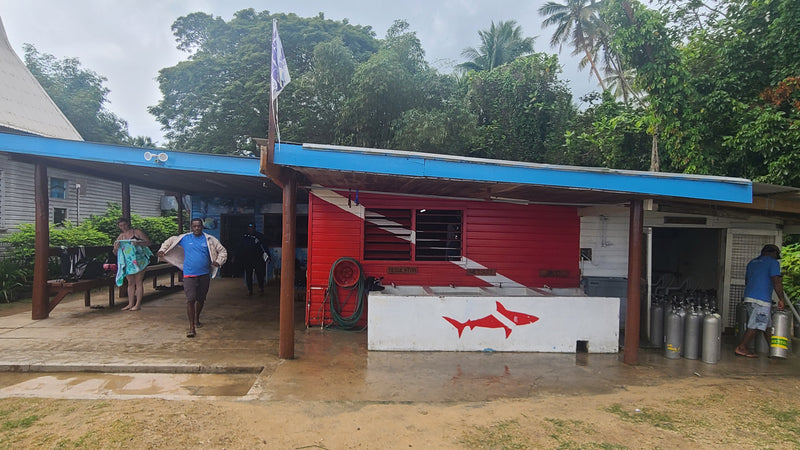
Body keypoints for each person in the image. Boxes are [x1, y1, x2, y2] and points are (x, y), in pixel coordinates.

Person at [158, 218, 227, 338]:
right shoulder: (184, 238)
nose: (196, 228)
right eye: (194, 226)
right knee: (190, 299)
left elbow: (223, 251)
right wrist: (162, 250)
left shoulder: (210, 239)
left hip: (204, 274)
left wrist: (218, 262)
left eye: (199, 226)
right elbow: (169, 241)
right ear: (191, 227)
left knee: (201, 299)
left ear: (202, 227)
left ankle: (197, 318)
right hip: (189, 274)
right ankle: (191, 327)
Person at [734, 244, 787, 358]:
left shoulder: (752, 263)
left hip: (749, 297)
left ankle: (773, 350)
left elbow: (747, 280)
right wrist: (781, 299)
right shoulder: (773, 263)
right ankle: (741, 347)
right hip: (761, 300)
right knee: (756, 325)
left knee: (766, 325)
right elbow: (776, 281)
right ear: (773, 253)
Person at [113, 217, 152, 311]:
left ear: (128, 224)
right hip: (128, 262)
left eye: (125, 225)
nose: (123, 227)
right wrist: (116, 248)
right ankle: (130, 304)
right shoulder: (121, 237)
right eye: (121, 225)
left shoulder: (136, 232)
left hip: (140, 261)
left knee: (138, 282)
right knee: (130, 282)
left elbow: (148, 243)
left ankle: (137, 304)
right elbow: (115, 252)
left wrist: (138, 243)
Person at [234, 223, 269, 296]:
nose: (251, 229)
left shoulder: (259, 236)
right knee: (248, 275)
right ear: (247, 228)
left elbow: (264, 246)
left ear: (254, 228)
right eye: (249, 228)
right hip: (247, 259)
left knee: (259, 274)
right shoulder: (245, 236)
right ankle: (250, 290)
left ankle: (261, 288)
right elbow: (239, 247)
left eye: (252, 227)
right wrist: (235, 256)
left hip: (258, 259)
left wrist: (268, 256)